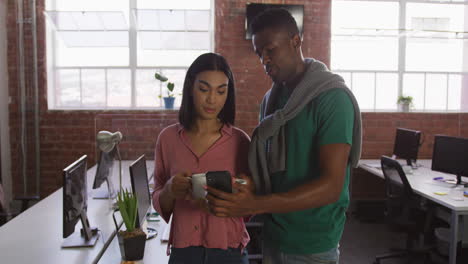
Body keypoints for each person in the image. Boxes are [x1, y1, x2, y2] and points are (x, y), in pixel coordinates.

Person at [206, 8, 362, 264]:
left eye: (270, 50)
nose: (264, 60)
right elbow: (273, 174)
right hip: (274, 234)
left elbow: (331, 187)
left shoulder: (332, 98)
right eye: (259, 54)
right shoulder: (272, 101)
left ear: (295, 41)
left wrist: (256, 205)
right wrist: (241, 189)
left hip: (312, 244)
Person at [152, 52, 251, 264]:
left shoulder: (240, 141)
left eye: (221, 91)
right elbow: (158, 197)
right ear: (190, 88)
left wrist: (233, 186)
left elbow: (250, 191)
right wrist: (170, 189)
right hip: (184, 252)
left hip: (228, 251)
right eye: (204, 89)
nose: (212, 99)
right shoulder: (168, 139)